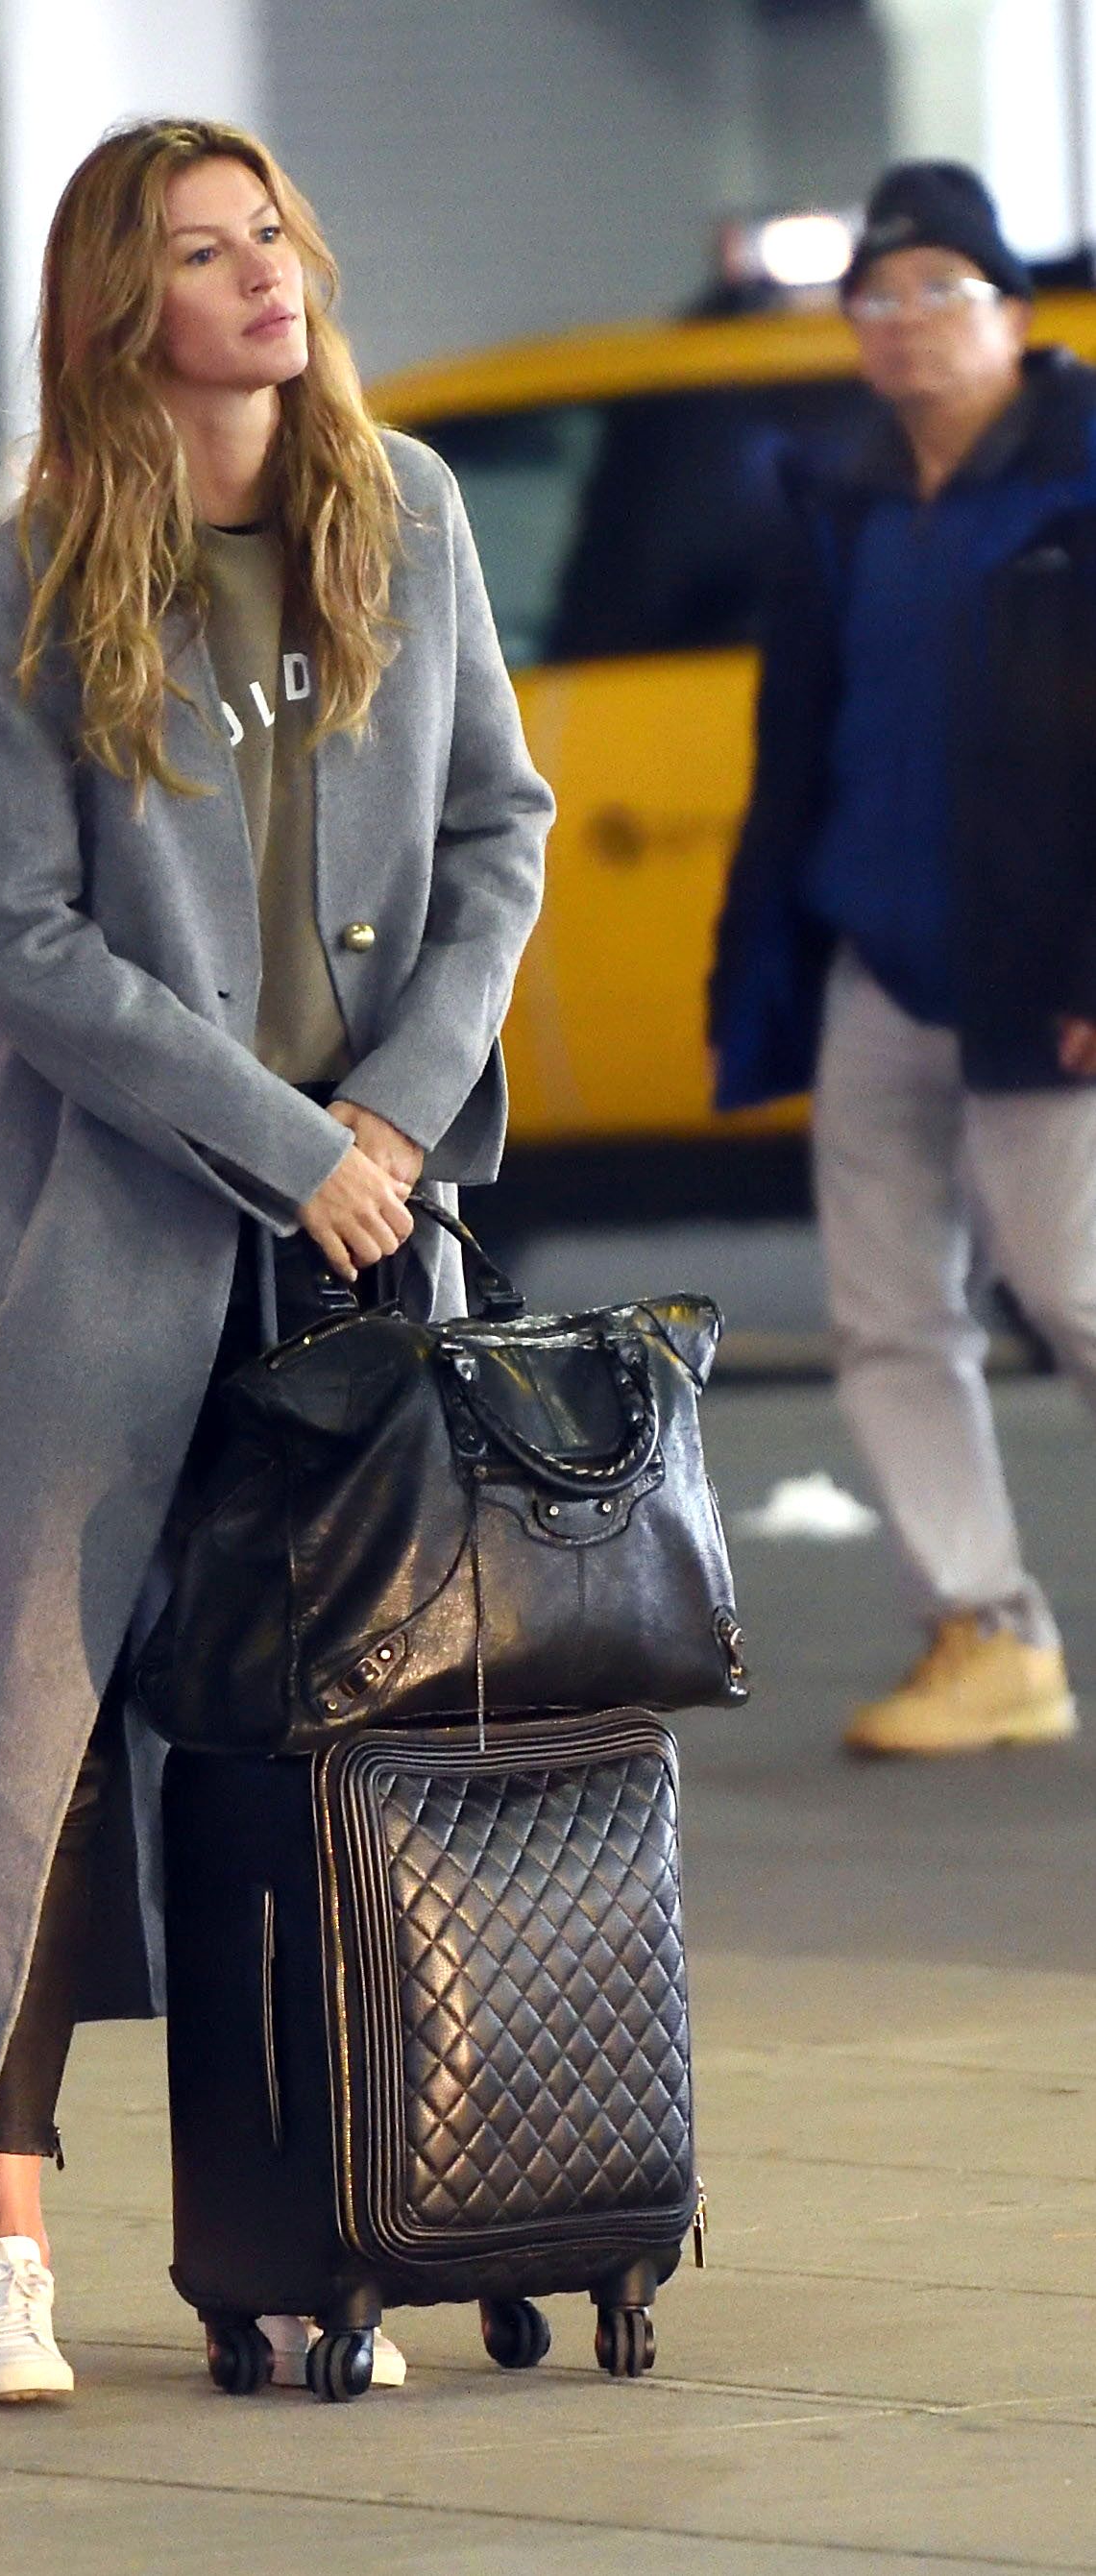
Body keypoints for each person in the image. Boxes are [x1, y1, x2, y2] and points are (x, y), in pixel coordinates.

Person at [0, 117, 552, 2406]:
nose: (268, 279)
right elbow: (28, 950)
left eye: (272, 237)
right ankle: (5, 2245)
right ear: (116, 308)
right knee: (34, 1730)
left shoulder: (413, 509)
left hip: (372, 1215)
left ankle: (338, 2211)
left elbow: (498, 833)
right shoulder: (30, 579)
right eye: (204, 252)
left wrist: (388, 1119)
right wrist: (283, 1139)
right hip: (102, 1224)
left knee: (351, 1725)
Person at [710, 161, 1096, 1758]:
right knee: (886, 1318)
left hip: (1045, 972)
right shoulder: (840, 501)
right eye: (877, 297)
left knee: (1077, 1285)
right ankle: (984, 1629)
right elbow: (797, 741)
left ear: (1012, 311)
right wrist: (769, 942)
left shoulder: (1082, 479)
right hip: (874, 953)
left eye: (941, 288)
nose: (906, 322)